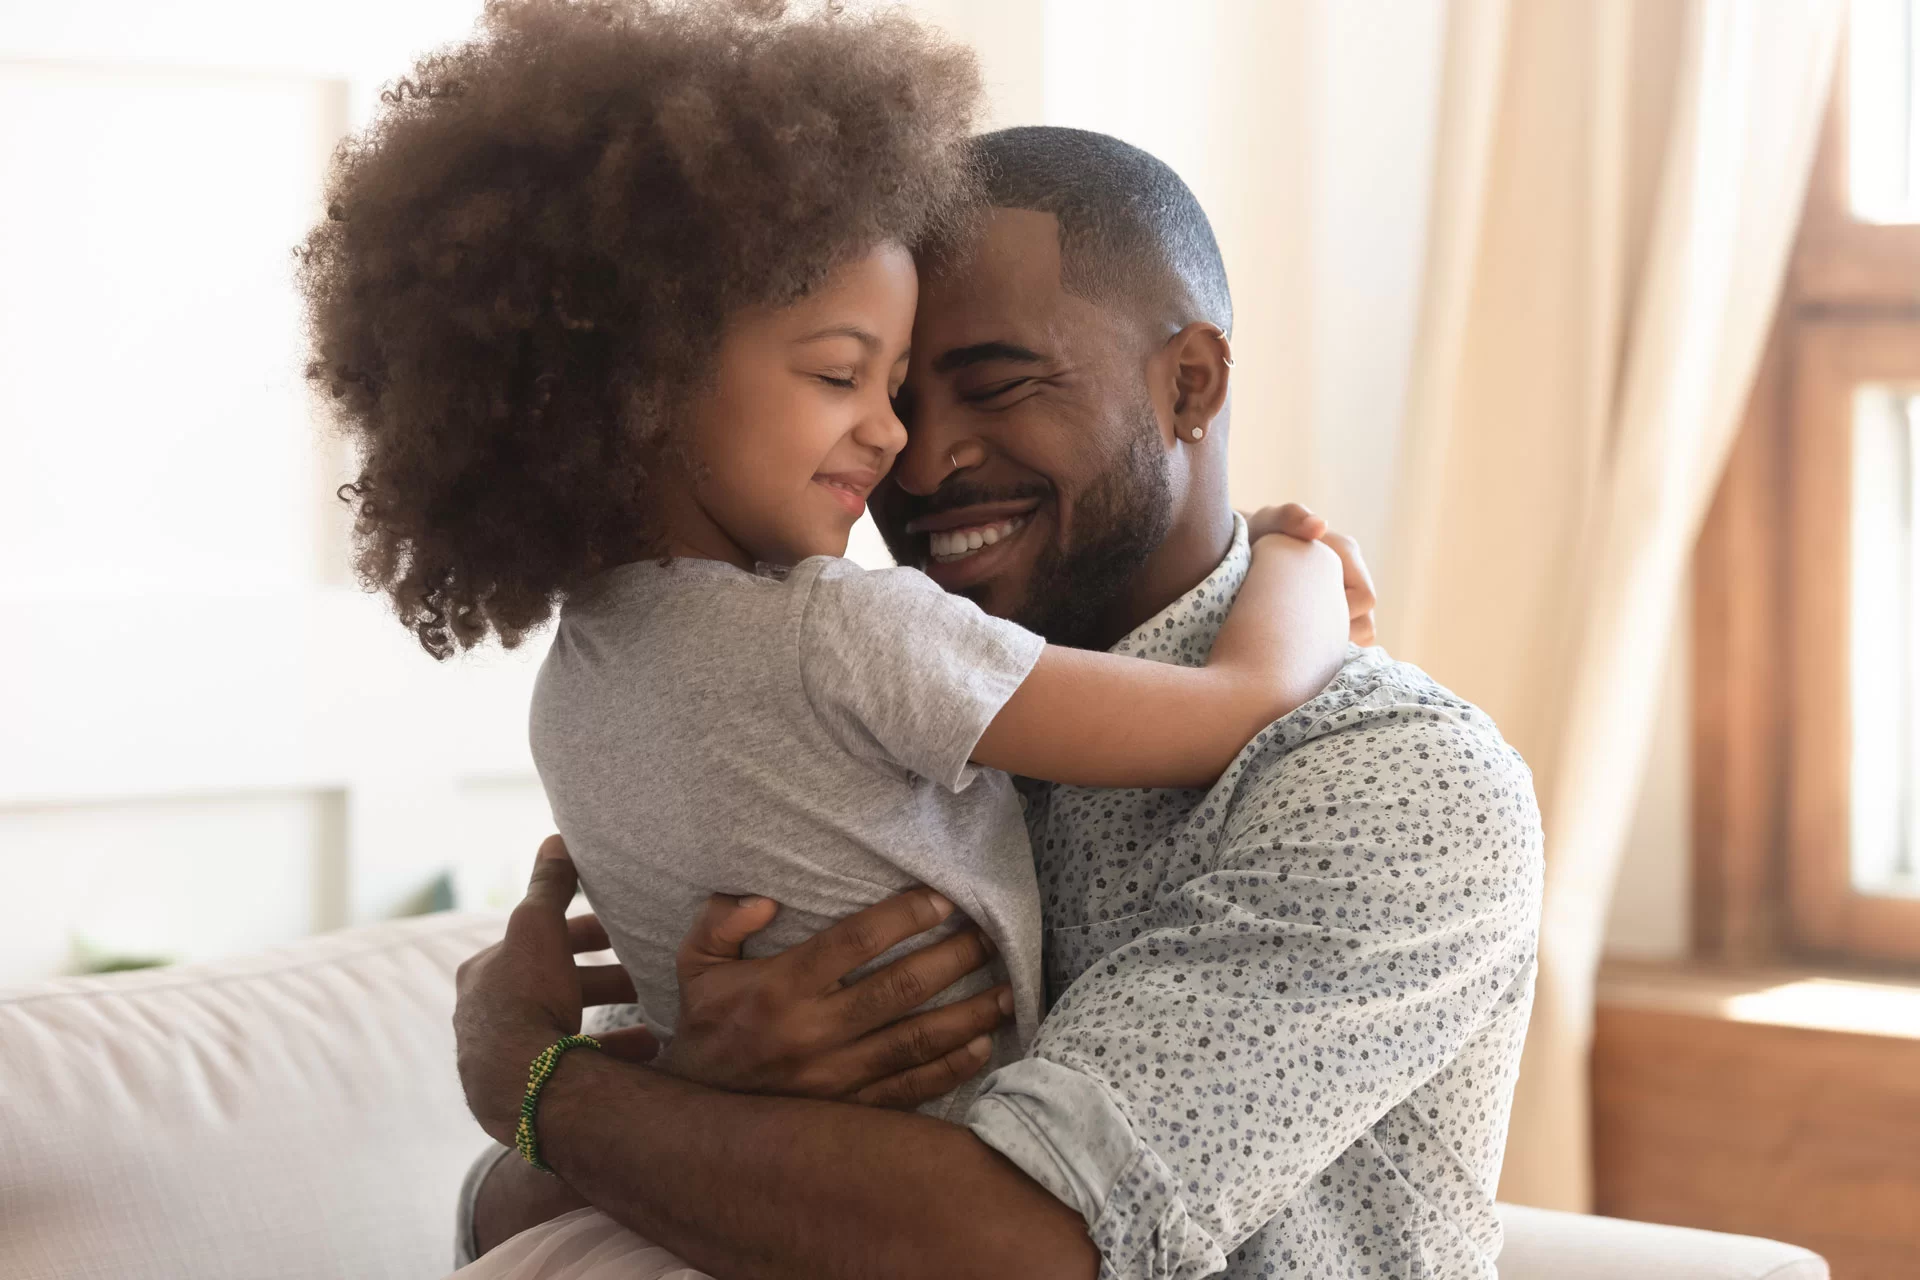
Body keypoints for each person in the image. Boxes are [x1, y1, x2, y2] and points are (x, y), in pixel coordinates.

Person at [297, 3, 1371, 1276]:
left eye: (955, 382)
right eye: (843, 376)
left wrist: (556, 1079)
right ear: (648, 382)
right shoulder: (849, 636)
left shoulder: (574, 688)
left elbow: (569, 1174)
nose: (904, 441)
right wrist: (1300, 558)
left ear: (1192, 381)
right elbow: (1246, 699)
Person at [451, 123, 1545, 1280]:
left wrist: (537, 1082)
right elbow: (513, 1216)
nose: (914, 463)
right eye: (876, 388)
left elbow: (1030, 1247)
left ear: (1191, 382)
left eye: (997, 386)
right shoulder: (822, 698)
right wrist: (673, 1087)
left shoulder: (1392, 780)